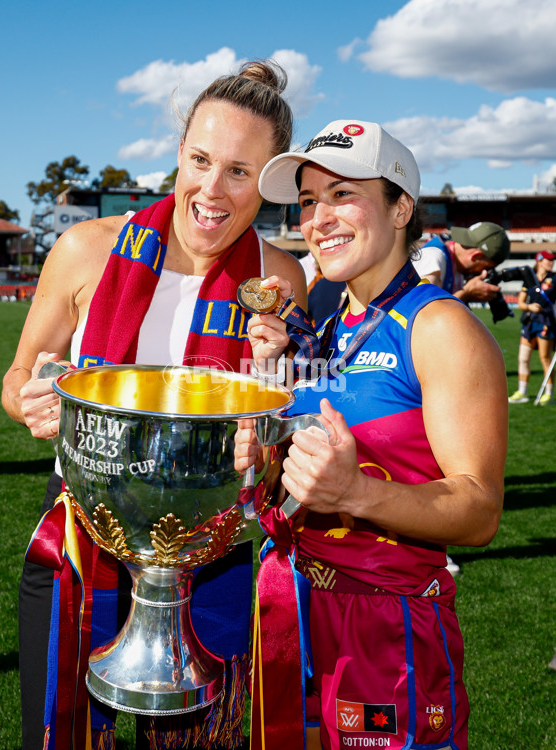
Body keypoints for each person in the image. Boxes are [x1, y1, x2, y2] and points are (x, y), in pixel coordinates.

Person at [2, 60, 306, 750]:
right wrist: (34, 400)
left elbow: (287, 428)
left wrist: (274, 384)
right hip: (85, 540)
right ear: (177, 153)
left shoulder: (278, 275)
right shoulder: (87, 249)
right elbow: (20, 375)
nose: (211, 188)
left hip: (218, 552)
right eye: (200, 160)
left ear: (267, 182)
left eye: (239, 171)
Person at [236, 119, 507, 749]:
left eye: (343, 194)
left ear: (401, 207)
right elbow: (288, 484)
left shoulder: (439, 328)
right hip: (293, 610)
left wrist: (353, 493)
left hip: (387, 628)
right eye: (308, 200)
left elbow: (479, 511)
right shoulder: (329, 329)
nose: (319, 217)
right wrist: (266, 428)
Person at [412, 220, 510, 302]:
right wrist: (466, 293)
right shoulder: (434, 258)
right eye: (487, 267)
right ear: (476, 256)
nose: (484, 273)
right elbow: (423, 311)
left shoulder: (454, 263)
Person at [508, 250, 556, 405]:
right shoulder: (529, 279)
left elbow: (547, 299)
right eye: (548, 260)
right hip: (529, 322)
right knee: (523, 358)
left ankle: (548, 394)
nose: (551, 262)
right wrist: (529, 307)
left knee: (545, 359)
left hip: (546, 322)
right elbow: (521, 303)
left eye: (552, 260)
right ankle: (522, 392)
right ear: (539, 260)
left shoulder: (554, 279)